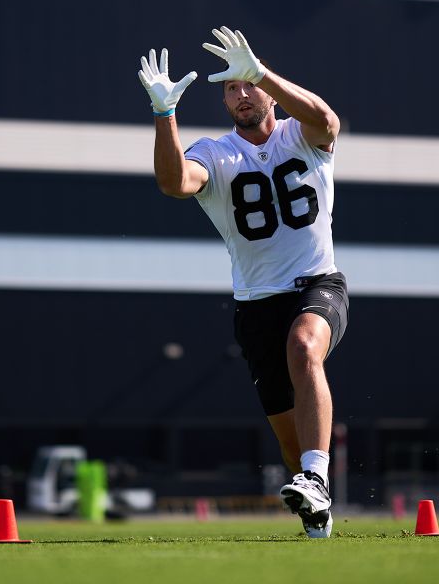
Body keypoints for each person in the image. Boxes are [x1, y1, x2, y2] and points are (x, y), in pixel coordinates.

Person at [137, 26, 349, 538]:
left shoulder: (300, 135)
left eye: (246, 84)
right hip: (255, 305)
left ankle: (317, 479)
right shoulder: (215, 152)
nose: (241, 94)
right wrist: (165, 115)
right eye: (230, 87)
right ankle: (315, 514)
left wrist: (263, 73)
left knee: (304, 347)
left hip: (317, 284)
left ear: (264, 89)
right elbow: (173, 183)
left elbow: (327, 120)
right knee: (286, 437)